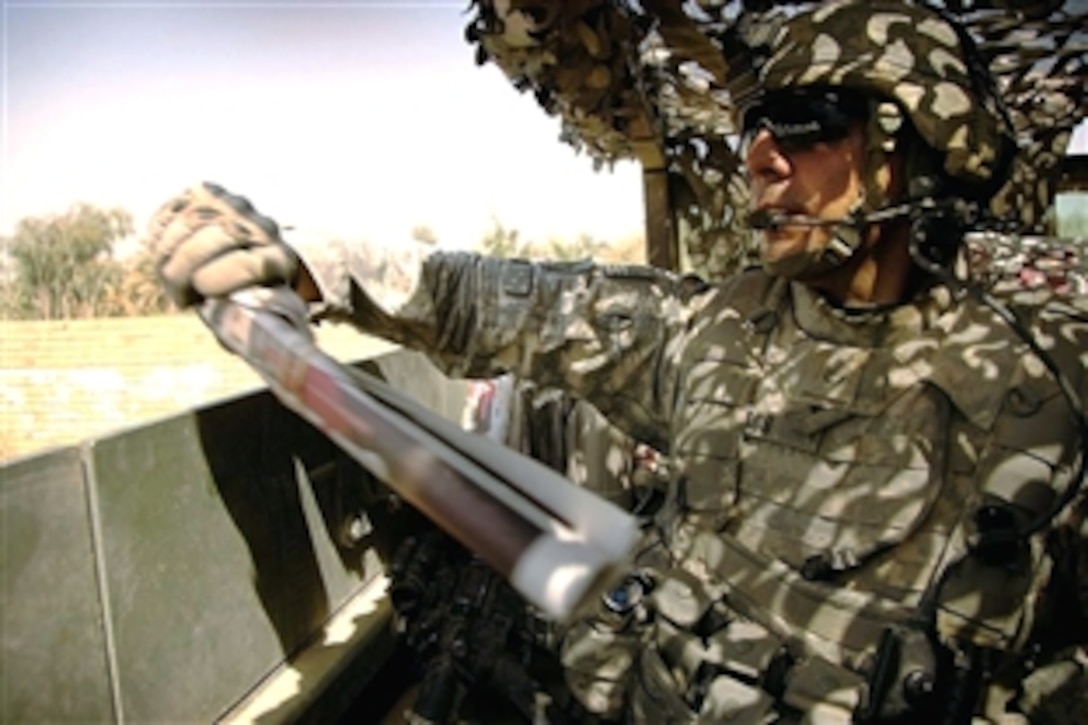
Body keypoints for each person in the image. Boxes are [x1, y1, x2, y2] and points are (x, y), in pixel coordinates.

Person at [149, 1, 1088, 721]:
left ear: (906, 146)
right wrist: (309, 259)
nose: (760, 155)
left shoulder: (1045, 370)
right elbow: (507, 303)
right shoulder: (719, 328)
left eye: (805, 121)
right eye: (753, 126)